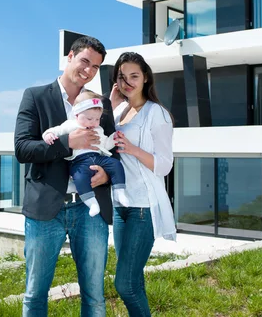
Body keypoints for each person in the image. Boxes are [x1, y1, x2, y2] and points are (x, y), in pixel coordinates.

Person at [14, 36, 117, 317]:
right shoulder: (35, 96)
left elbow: (113, 151)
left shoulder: (100, 103)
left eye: (95, 66)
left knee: (95, 294)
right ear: (69, 57)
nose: (88, 70)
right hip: (46, 208)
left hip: (90, 210)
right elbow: (22, 148)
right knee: (35, 294)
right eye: (85, 61)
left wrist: (106, 176)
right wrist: (67, 143)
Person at [110, 51, 177, 317]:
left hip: (142, 208)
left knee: (124, 283)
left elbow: (165, 165)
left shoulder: (156, 113)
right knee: (134, 280)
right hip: (120, 206)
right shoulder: (118, 112)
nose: (128, 82)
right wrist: (110, 103)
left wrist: (133, 149)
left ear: (145, 77)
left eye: (134, 76)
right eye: (122, 77)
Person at [42, 90, 129, 217]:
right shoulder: (70, 125)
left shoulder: (98, 129)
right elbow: (55, 131)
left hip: (98, 158)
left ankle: (119, 191)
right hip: (79, 161)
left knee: (116, 164)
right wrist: (48, 135)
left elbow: (105, 145)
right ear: (77, 115)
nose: (93, 122)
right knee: (80, 178)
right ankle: (91, 203)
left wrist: (114, 138)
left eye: (97, 119)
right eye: (89, 118)